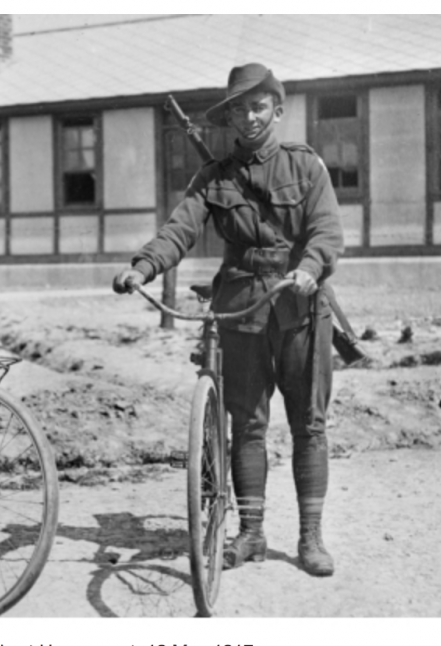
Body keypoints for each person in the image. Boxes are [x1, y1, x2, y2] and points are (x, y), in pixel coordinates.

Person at [113, 63, 344, 576]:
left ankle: (310, 538)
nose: (249, 116)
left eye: (258, 105)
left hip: (300, 307)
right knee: (247, 425)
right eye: (238, 108)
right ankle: (252, 533)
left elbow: (327, 233)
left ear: (278, 110)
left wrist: (308, 269)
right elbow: (179, 229)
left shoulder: (305, 167)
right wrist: (142, 267)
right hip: (241, 308)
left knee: (309, 424)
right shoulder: (213, 177)